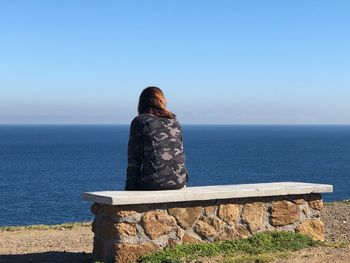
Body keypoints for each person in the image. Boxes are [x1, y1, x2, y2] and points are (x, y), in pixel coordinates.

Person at [125, 86, 188, 190]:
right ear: (162, 101)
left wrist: (128, 189)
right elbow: (180, 152)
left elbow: (134, 159)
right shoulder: (174, 121)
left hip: (153, 182)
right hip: (180, 182)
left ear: (142, 103)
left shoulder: (140, 121)